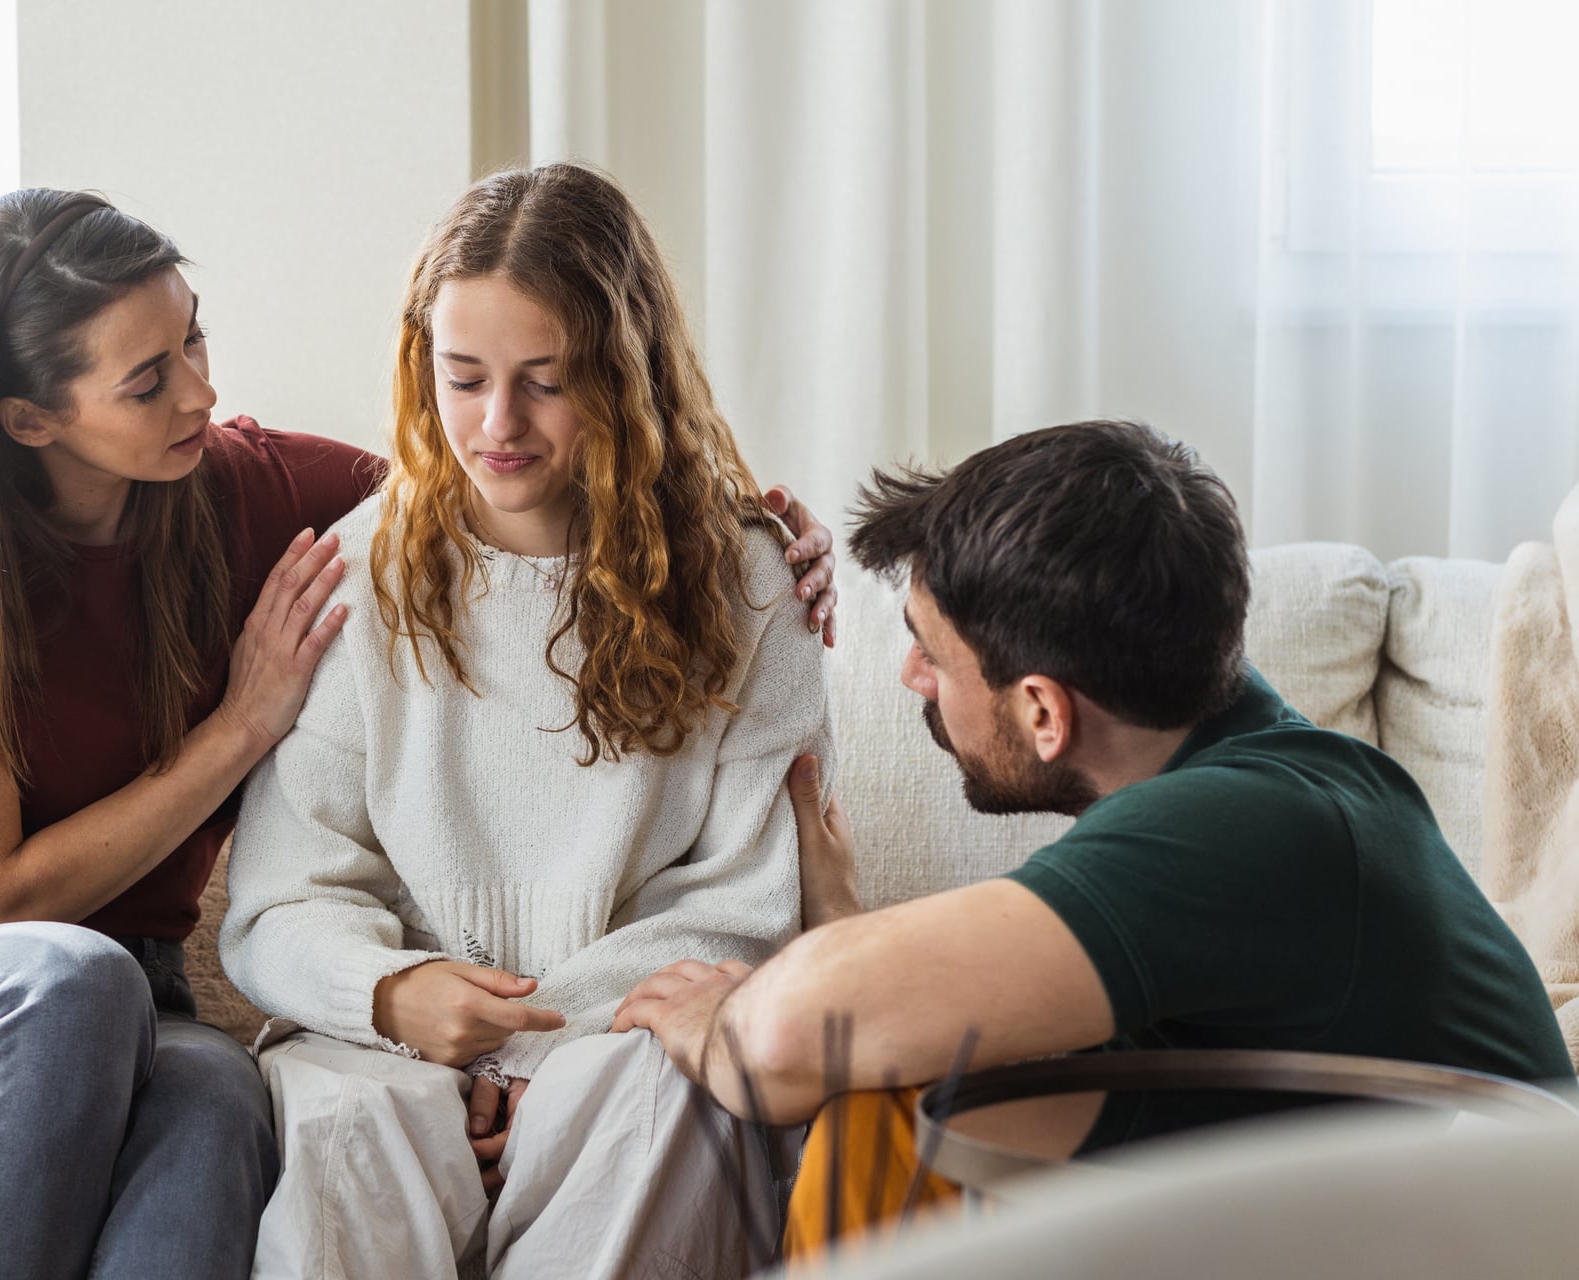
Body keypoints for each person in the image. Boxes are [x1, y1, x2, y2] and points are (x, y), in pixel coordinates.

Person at [0, 188, 841, 1280]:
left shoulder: (243, 491)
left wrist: (749, 532)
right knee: (76, 987)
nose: (201, 391)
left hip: (138, 991)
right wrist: (241, 725)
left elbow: (494, 512)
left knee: (221, 1097)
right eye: (149, 378)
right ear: (32, 417)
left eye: (194, 338)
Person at [614, 420, 1576, 1260]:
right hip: (1334, 1225)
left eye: (930, 649)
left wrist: (716, 1017)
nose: (910, 675)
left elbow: (788, 1038)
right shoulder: (1279, 786)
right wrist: (846, 929)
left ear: (1042, 710)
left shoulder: (1243, 830)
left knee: (879, 1135)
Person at [220, 163, 836, 1279]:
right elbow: (280, 900)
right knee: (347, 1130)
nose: (496, 425)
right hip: (390, 1034)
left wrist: (529, 1046)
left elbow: (751, 899)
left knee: (663, 1106)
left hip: (626, 1034)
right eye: (463, 378)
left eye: (546, 383)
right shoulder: (361, 573)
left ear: (626, 376)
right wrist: (396, 996)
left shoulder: (753, 579)